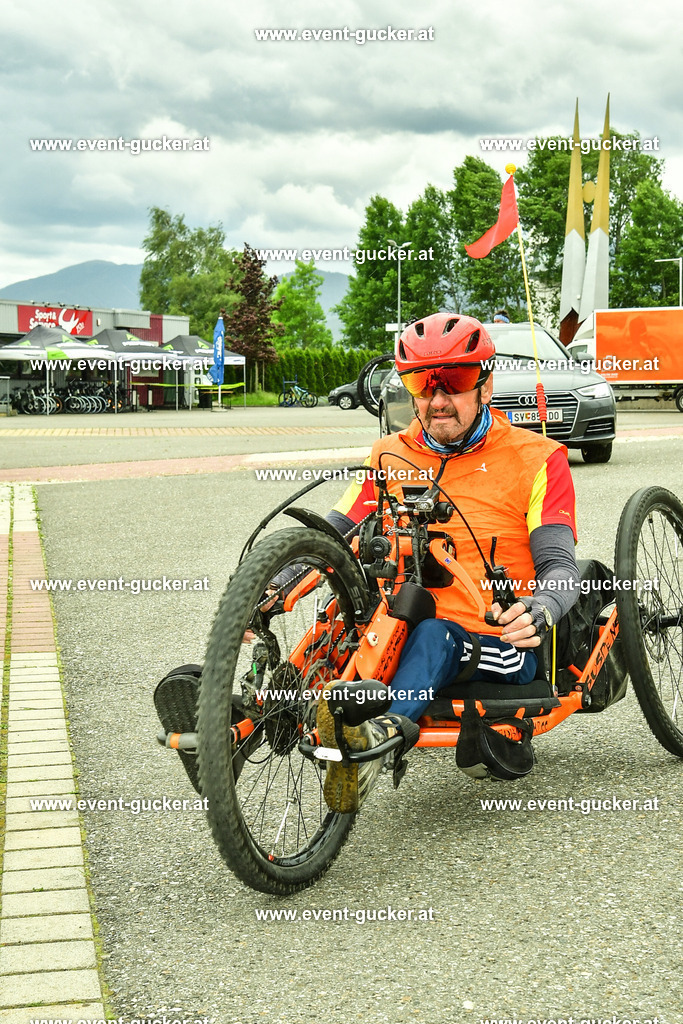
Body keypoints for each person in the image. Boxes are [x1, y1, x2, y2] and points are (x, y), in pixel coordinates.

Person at [316, 311, 581, 813]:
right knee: (331, 619)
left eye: (454, 381)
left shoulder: (539, 458)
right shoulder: (388, 453)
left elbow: (559, 565)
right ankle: (234, 719)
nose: (437, 400)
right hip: (392, 627)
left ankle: (378, 739)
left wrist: (541, 608)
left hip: (493, 639)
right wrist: (268, 585)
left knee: (437, 635)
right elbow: (335, 528)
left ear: (485, 382)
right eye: (422, 383)